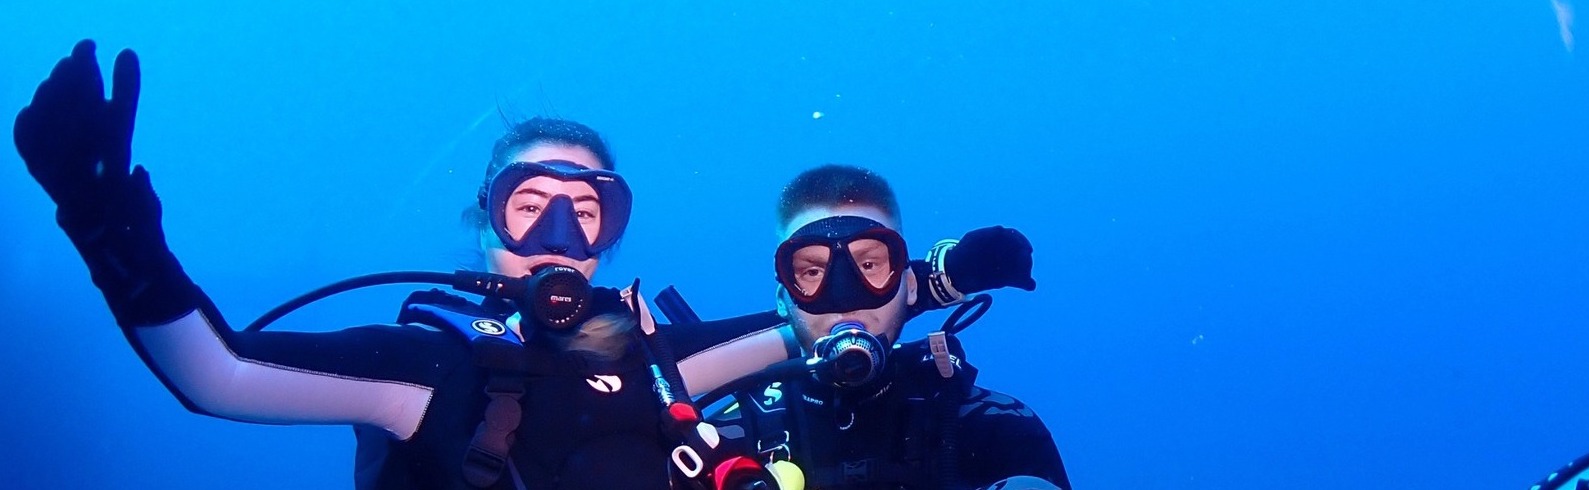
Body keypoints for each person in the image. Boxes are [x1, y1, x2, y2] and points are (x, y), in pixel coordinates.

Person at [14, 40, 1038, 490]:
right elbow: (217, 372)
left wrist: (939, 274)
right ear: (484, 221)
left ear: (610, 233)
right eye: (529, 204)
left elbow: (822, 317)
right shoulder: (430, 371)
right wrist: (109, 228)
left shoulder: (658, 358)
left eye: (584, 211)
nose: (557, 233)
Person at [705, 164, 1072, 490]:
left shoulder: (994, 429)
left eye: (869, 265)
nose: (844, 298)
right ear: (784, 299)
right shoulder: (720, 445)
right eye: (813, 271)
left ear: (910, 285)